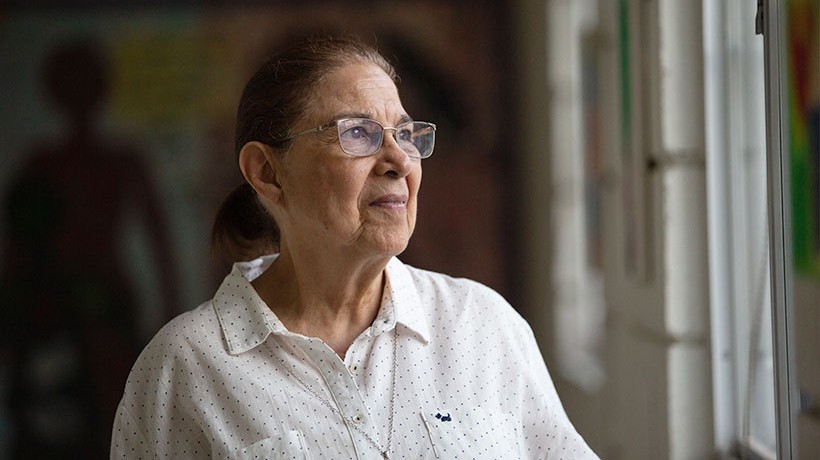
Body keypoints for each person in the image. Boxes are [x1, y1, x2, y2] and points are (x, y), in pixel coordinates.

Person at [110, 36, 597, 459]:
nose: (398, 160)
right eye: (357, 133)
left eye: (406, 134)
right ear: (268, 173)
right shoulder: (185, 367)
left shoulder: (484, 327)